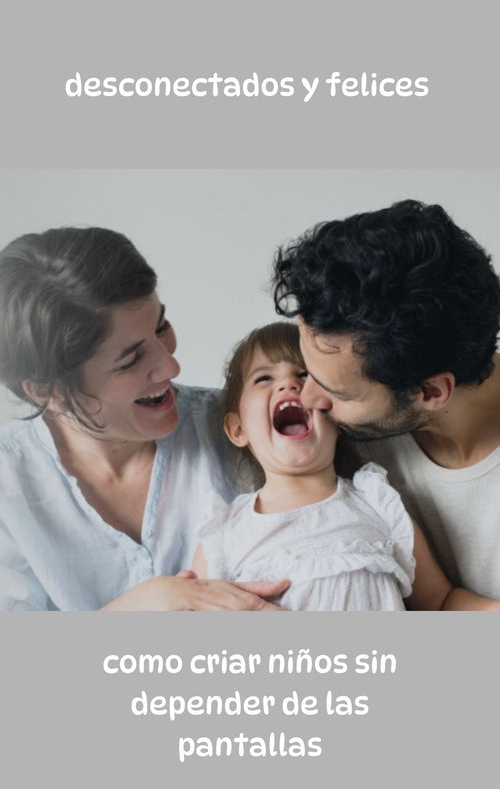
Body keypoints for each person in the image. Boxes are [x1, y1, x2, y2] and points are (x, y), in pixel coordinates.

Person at [0, 226, 289, 610]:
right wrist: (139, 608)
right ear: (47, 391)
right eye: (131, 360)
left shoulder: (247, 427)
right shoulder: (9, 485)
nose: (170, 366)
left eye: (161, 327)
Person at [272, 200, 500, 599]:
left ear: (431, 392)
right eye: (308, 372)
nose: (307, 397)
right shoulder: (328, 435)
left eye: (336, 392)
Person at [192, 322, 500, 610]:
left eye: (305, 375)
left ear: (338, 417)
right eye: (264, 378)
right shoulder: (223, 538)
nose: (289, 384)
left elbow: (441, 602)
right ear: (237, 429)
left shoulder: (379, 504)